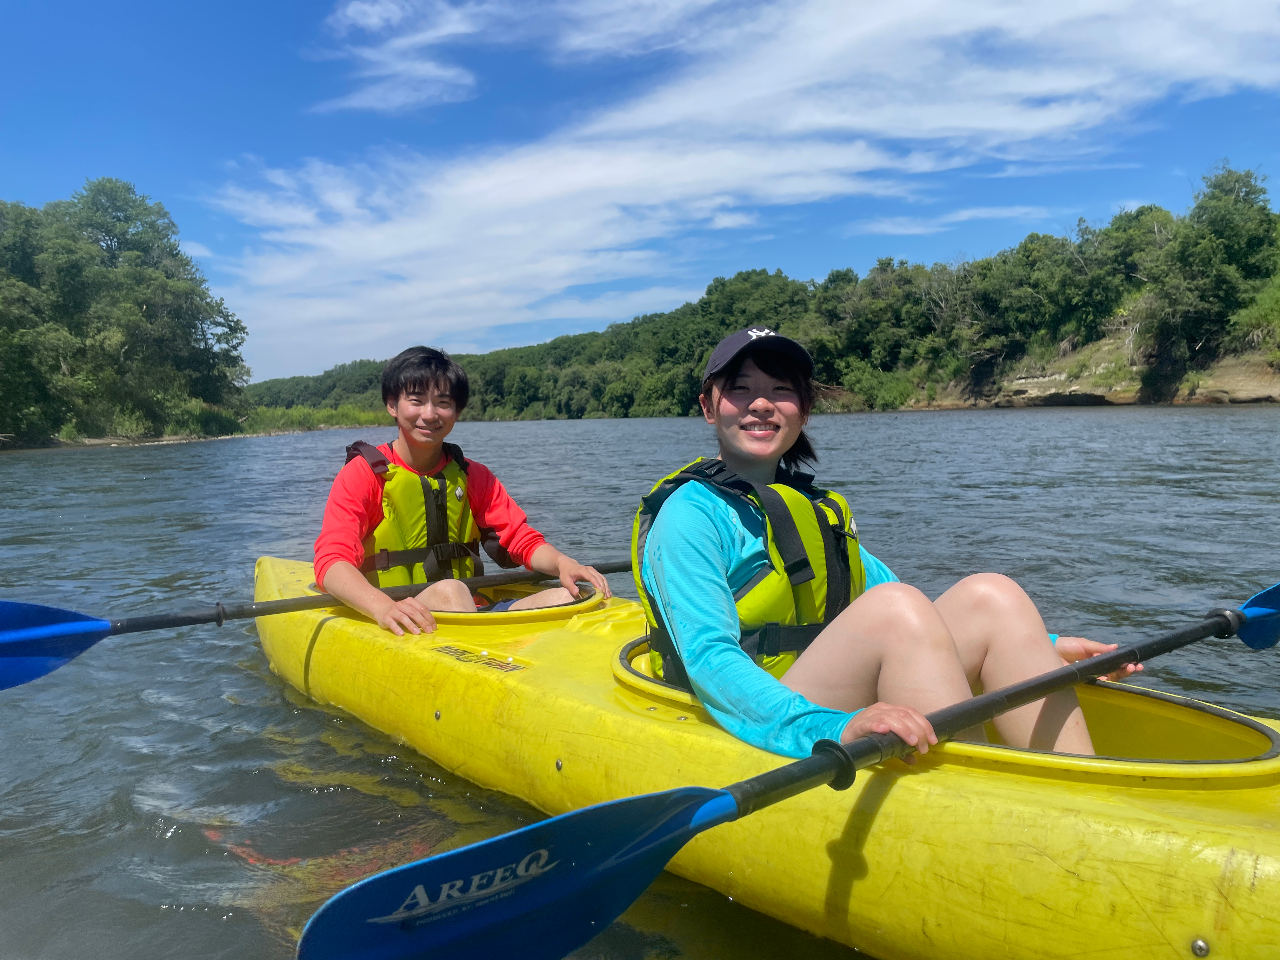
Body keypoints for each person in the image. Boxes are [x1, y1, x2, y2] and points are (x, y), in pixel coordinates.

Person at [632, 327, 1139, 760]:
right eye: (740, 389)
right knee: (894, 610)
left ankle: (1083, 792)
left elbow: (910, 609)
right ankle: (983, 808)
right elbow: (708, 658)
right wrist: (829, 729)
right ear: (707, 407)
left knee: (992, 594)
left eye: (781, 390)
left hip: (819, 684)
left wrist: (1044, 648)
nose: (762, 403)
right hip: (768, 710)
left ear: (803, 410)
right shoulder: (691, 516)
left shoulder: (815, 508)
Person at [316, 346, 610, 636]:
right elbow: (331, 562)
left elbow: (520, 539)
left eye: (443, 403)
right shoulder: (363, 475)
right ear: (392, 405)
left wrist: (563, 563)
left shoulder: (474, 476)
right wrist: (381, 607)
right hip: (397, 615)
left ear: (457, 411)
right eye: (416, 401)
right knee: (450, 591)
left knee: (576, 596)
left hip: (470, 612)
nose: (429, 414)